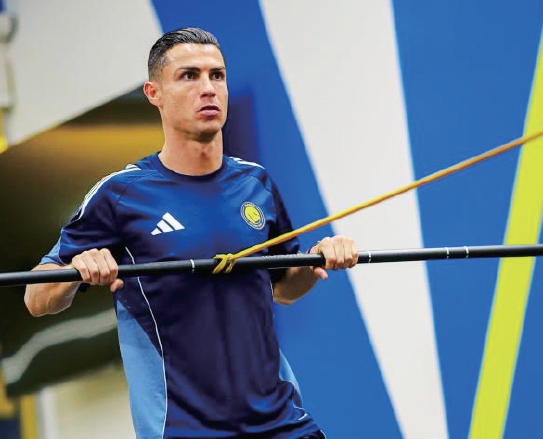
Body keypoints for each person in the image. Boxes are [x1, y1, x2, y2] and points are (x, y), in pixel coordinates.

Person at [24, 27, 358, 439]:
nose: (208, 89)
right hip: (184, 430)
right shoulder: (120, 193)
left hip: (283, 425)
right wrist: (77, 270)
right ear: (154, 93)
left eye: (217, 75)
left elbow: (284, 289)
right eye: (189, 76)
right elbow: (36, 298)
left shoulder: (256, 183)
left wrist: (319, 258)